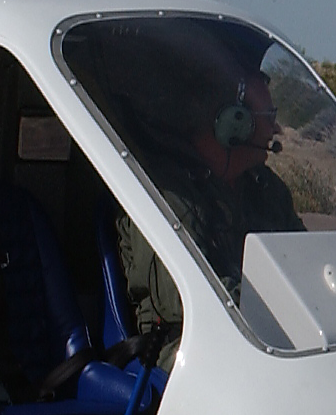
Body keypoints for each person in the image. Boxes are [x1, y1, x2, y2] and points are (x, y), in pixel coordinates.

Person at [113, 70, 306, 355]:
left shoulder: (265, 188)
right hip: (190, 347)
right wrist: (286, 306)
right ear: (233, 122)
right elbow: (186, 296)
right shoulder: (163, 193)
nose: (276, 128)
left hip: (265, 335)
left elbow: (305, 259)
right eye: (268, 115)